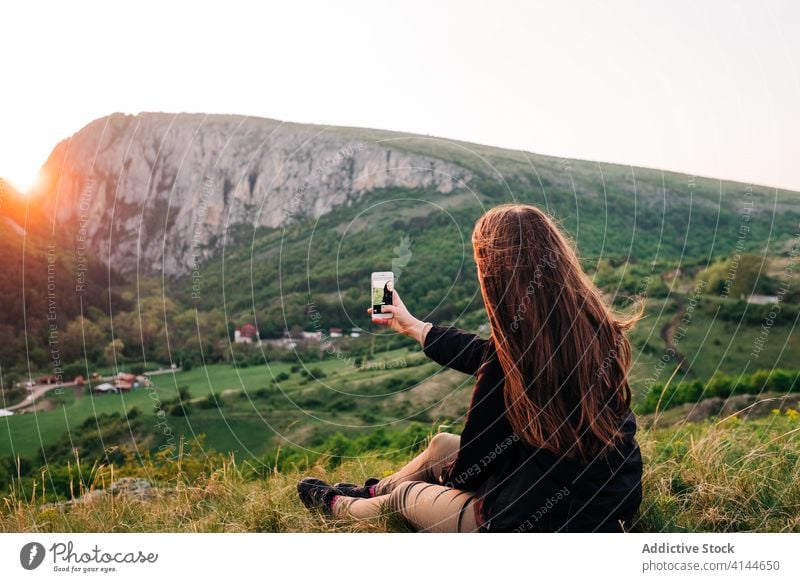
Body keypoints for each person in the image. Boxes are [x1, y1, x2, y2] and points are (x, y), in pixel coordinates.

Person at [297, 203, 644, 532]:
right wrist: (415, 327)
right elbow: (484, 354)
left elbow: (470, 470)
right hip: (612, 502)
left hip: (535, 522)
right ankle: (371, 492)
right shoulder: (591, 330)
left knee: (404, 499)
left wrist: (445, 479)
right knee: (441, 446)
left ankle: (337, 507)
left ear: (495, 274)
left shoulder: (510, 364)